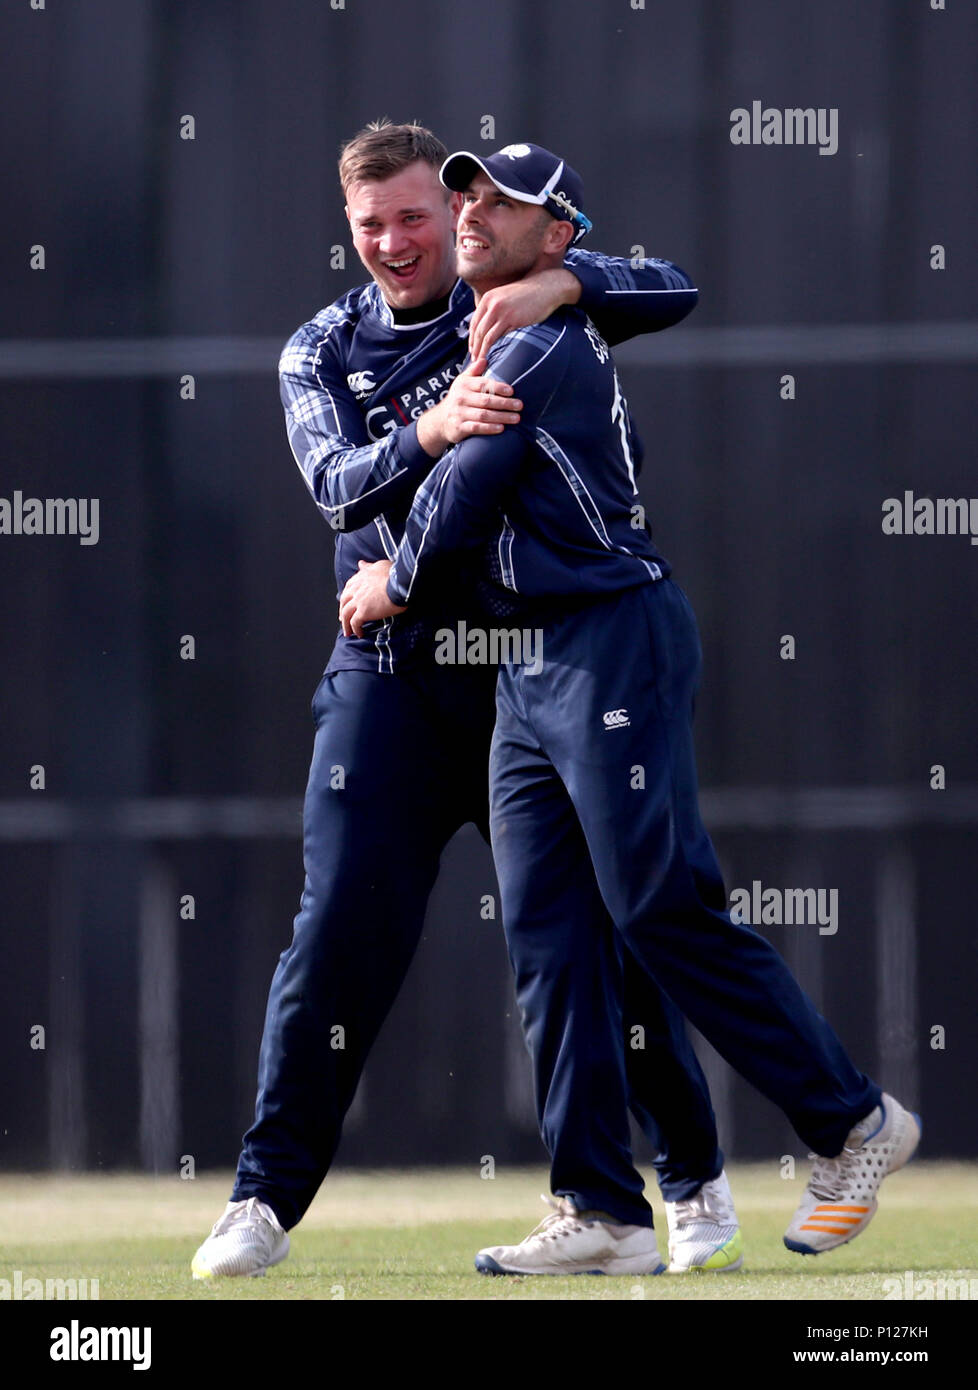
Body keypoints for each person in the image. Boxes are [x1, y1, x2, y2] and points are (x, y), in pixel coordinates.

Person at [339, 141, 921, 1277]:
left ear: (558, 236)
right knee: (550, 937)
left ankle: (853, 1122)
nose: (470, 212)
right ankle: (602, 1211)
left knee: (655, 904)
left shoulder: (546, 338)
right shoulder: (517, 314)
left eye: (501, 203)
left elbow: (462, 488)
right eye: (468, 191)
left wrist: (391, 583)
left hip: (612, 640)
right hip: (528, 668)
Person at [191, 121, 743, 1281]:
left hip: (527, 664)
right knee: (337, 923)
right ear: (349, 230)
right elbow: (338, 488)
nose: (395, 242)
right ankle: (259, 1200)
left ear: (461, 218)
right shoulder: (320, 348)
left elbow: (677, 286)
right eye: (370, 224)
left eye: (415, 219)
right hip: (388, 674)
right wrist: (432, 428)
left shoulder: (518, 298)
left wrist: (567, 274)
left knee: (605, 929)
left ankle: (685, 1182)